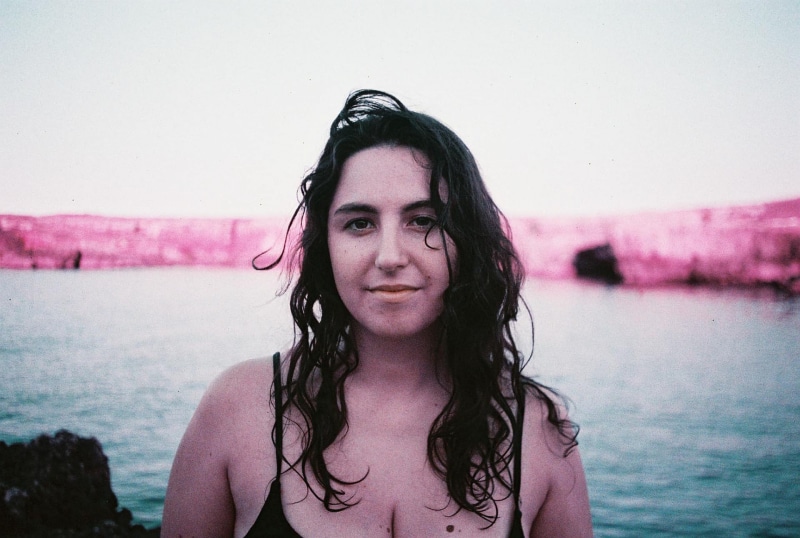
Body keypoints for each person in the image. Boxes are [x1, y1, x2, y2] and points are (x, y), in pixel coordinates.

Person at [161, 90, 592, 537]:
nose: (389, 257)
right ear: (326, 246)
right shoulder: (239, 407)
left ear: (468, 240)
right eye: (360, 223)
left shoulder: (538, 431)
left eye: (423, 221)